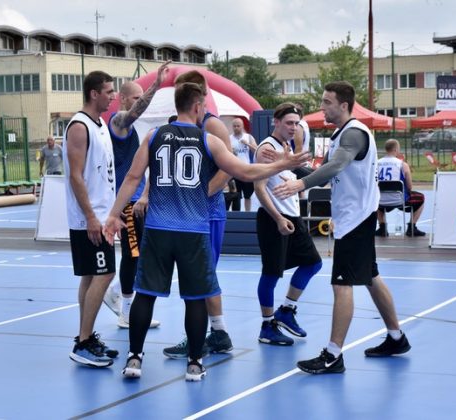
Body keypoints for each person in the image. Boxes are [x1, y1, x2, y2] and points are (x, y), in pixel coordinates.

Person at [103, 82, 310, 381]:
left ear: (177, 105)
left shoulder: (152, 136)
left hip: (159, 228)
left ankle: (134, 359)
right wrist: (282, 164)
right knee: (196, 298)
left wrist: (113, 215)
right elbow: (245, 172)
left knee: (145, 295)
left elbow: (133, 178)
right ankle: (195, 363)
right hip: (193, 230)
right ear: (199, 107)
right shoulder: (209, 140)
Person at [273, 81, 411, 374]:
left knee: (341, 283)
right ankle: (396, 338)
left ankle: (333, 355)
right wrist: (287, 165)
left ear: (344, 105)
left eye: (326, 102)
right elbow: (325, 175)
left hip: (356, 219)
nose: (322, 107)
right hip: (355, 217)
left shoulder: (355, 135)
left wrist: (300, 183)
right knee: (371, 277)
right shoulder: (341, 135)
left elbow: (335, 166)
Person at [162, 71, 234, 359]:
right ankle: (218, 332)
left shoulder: (212, 125)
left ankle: (201, 337)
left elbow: (228, 169)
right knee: (202, 275)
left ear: (201, 94)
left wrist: (200, 196)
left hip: (208, 213)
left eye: (186, 91)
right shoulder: (180, 125)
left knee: (199, 277)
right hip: (189, 214)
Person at [102, 61, 170, 329]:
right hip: (127, 201)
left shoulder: (134, 130)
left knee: (145, 253)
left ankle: (117, 291)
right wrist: (156, 85)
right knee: (133, 255)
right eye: (135, 98)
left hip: (140, 198)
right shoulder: (117, 122)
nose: (140, 104)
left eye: (141, 99)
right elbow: (132, 113)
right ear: (122, 99)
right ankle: (126, 312)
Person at [254, 102, 322, 346]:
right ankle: (267, 326)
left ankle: (286, 310)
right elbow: (259, 188)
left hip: (292, 217)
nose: (294, 127)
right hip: (274, 219)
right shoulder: (266, 149)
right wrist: (278, 218)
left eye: (297, 123)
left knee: (313, 264)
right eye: (289, 123)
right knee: (271, 273)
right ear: (276, 122)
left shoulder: (286, 148)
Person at [63, 70, 118, 368]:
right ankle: (83, 343)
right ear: (94, 93)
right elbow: (75, 176)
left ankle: (85, 337)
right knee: (105, 274)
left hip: (100, 216)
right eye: (108, 91)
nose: (112, 96)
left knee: (90, 275)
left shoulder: (101, 125)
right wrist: (92, 218)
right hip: (89, 219)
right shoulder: (79, 126)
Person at [376, 139, 426, 237]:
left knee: (374, 199)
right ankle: (412, 227)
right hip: (399, 200)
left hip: (380, 201)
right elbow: (409, 187)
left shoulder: (376, 163)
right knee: (421, 198)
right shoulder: (402, 164)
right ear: (395, 149)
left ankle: (382, 227)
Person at [230, 117, 258, 211]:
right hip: (234, 170)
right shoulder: (229, 138)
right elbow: (224, 153)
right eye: (234, 126)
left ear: (242, 126)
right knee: (235, 195)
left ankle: (247, 213)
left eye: (238, 126)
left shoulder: (248, 137)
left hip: (246, 169)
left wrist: (247, 144)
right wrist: (231, 152)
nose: (236, 128)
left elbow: (257, 151)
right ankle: (235, 214)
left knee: (247, 195)